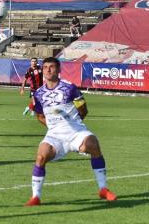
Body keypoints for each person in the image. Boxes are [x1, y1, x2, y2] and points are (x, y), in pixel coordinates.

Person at [25, 57, 116, 206]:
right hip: (55, 135)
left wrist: (73, 123)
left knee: (93, 144)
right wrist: (53, 127)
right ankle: (36, 197)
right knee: (41, 156)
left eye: (52, 67)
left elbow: (83, 109)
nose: (48, 70)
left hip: (76, 132)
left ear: (59, 69)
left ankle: (103, 189)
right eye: (46, 67)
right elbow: (40, 116)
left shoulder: (70, 88)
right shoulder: (38, 94)